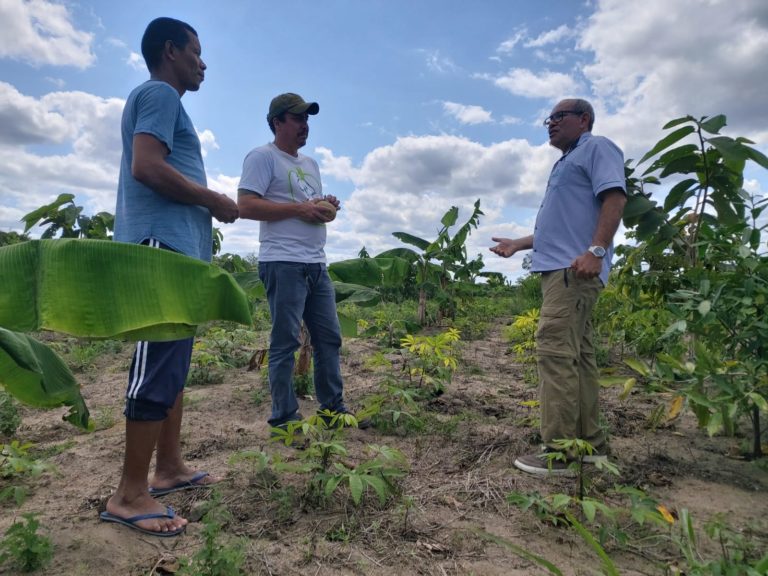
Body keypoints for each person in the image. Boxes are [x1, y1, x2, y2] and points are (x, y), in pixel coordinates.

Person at [102, 17, 238, 536]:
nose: (203, 63)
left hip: (177, 251)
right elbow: (147, 166)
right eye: (196, 53)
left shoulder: (166, 101)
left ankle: (169, 467)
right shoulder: (159, 93)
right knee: (157, 365)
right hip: (159, 248)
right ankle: (130, 494)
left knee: (174, 365)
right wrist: (214, 199)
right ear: (170, 51)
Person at [491, 98, 626, 476]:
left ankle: (559, 453)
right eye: (547, 118)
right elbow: (559, 227)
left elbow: (615, 197)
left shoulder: (597, 148)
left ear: (584, 120)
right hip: (564, 270)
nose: (550, 123)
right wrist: (518, 243)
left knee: (554, 352)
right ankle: (589, 447)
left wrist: (596, 250)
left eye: (559, 117)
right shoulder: (565, 162)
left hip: (574, 272)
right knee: (578, 357)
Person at [237, 93, 366, 432]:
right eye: (297, 118)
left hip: (315, 264)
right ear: (277, 122)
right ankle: (284, 418)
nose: (304, 125)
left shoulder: (310, 165)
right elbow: (246, 206)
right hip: (282, 262)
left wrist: (325, 204)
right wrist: (301, 209)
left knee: (329, 338)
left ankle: (332, 409)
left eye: (307, 119)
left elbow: (308, 207)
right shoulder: (262, 157)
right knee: (285, 343)